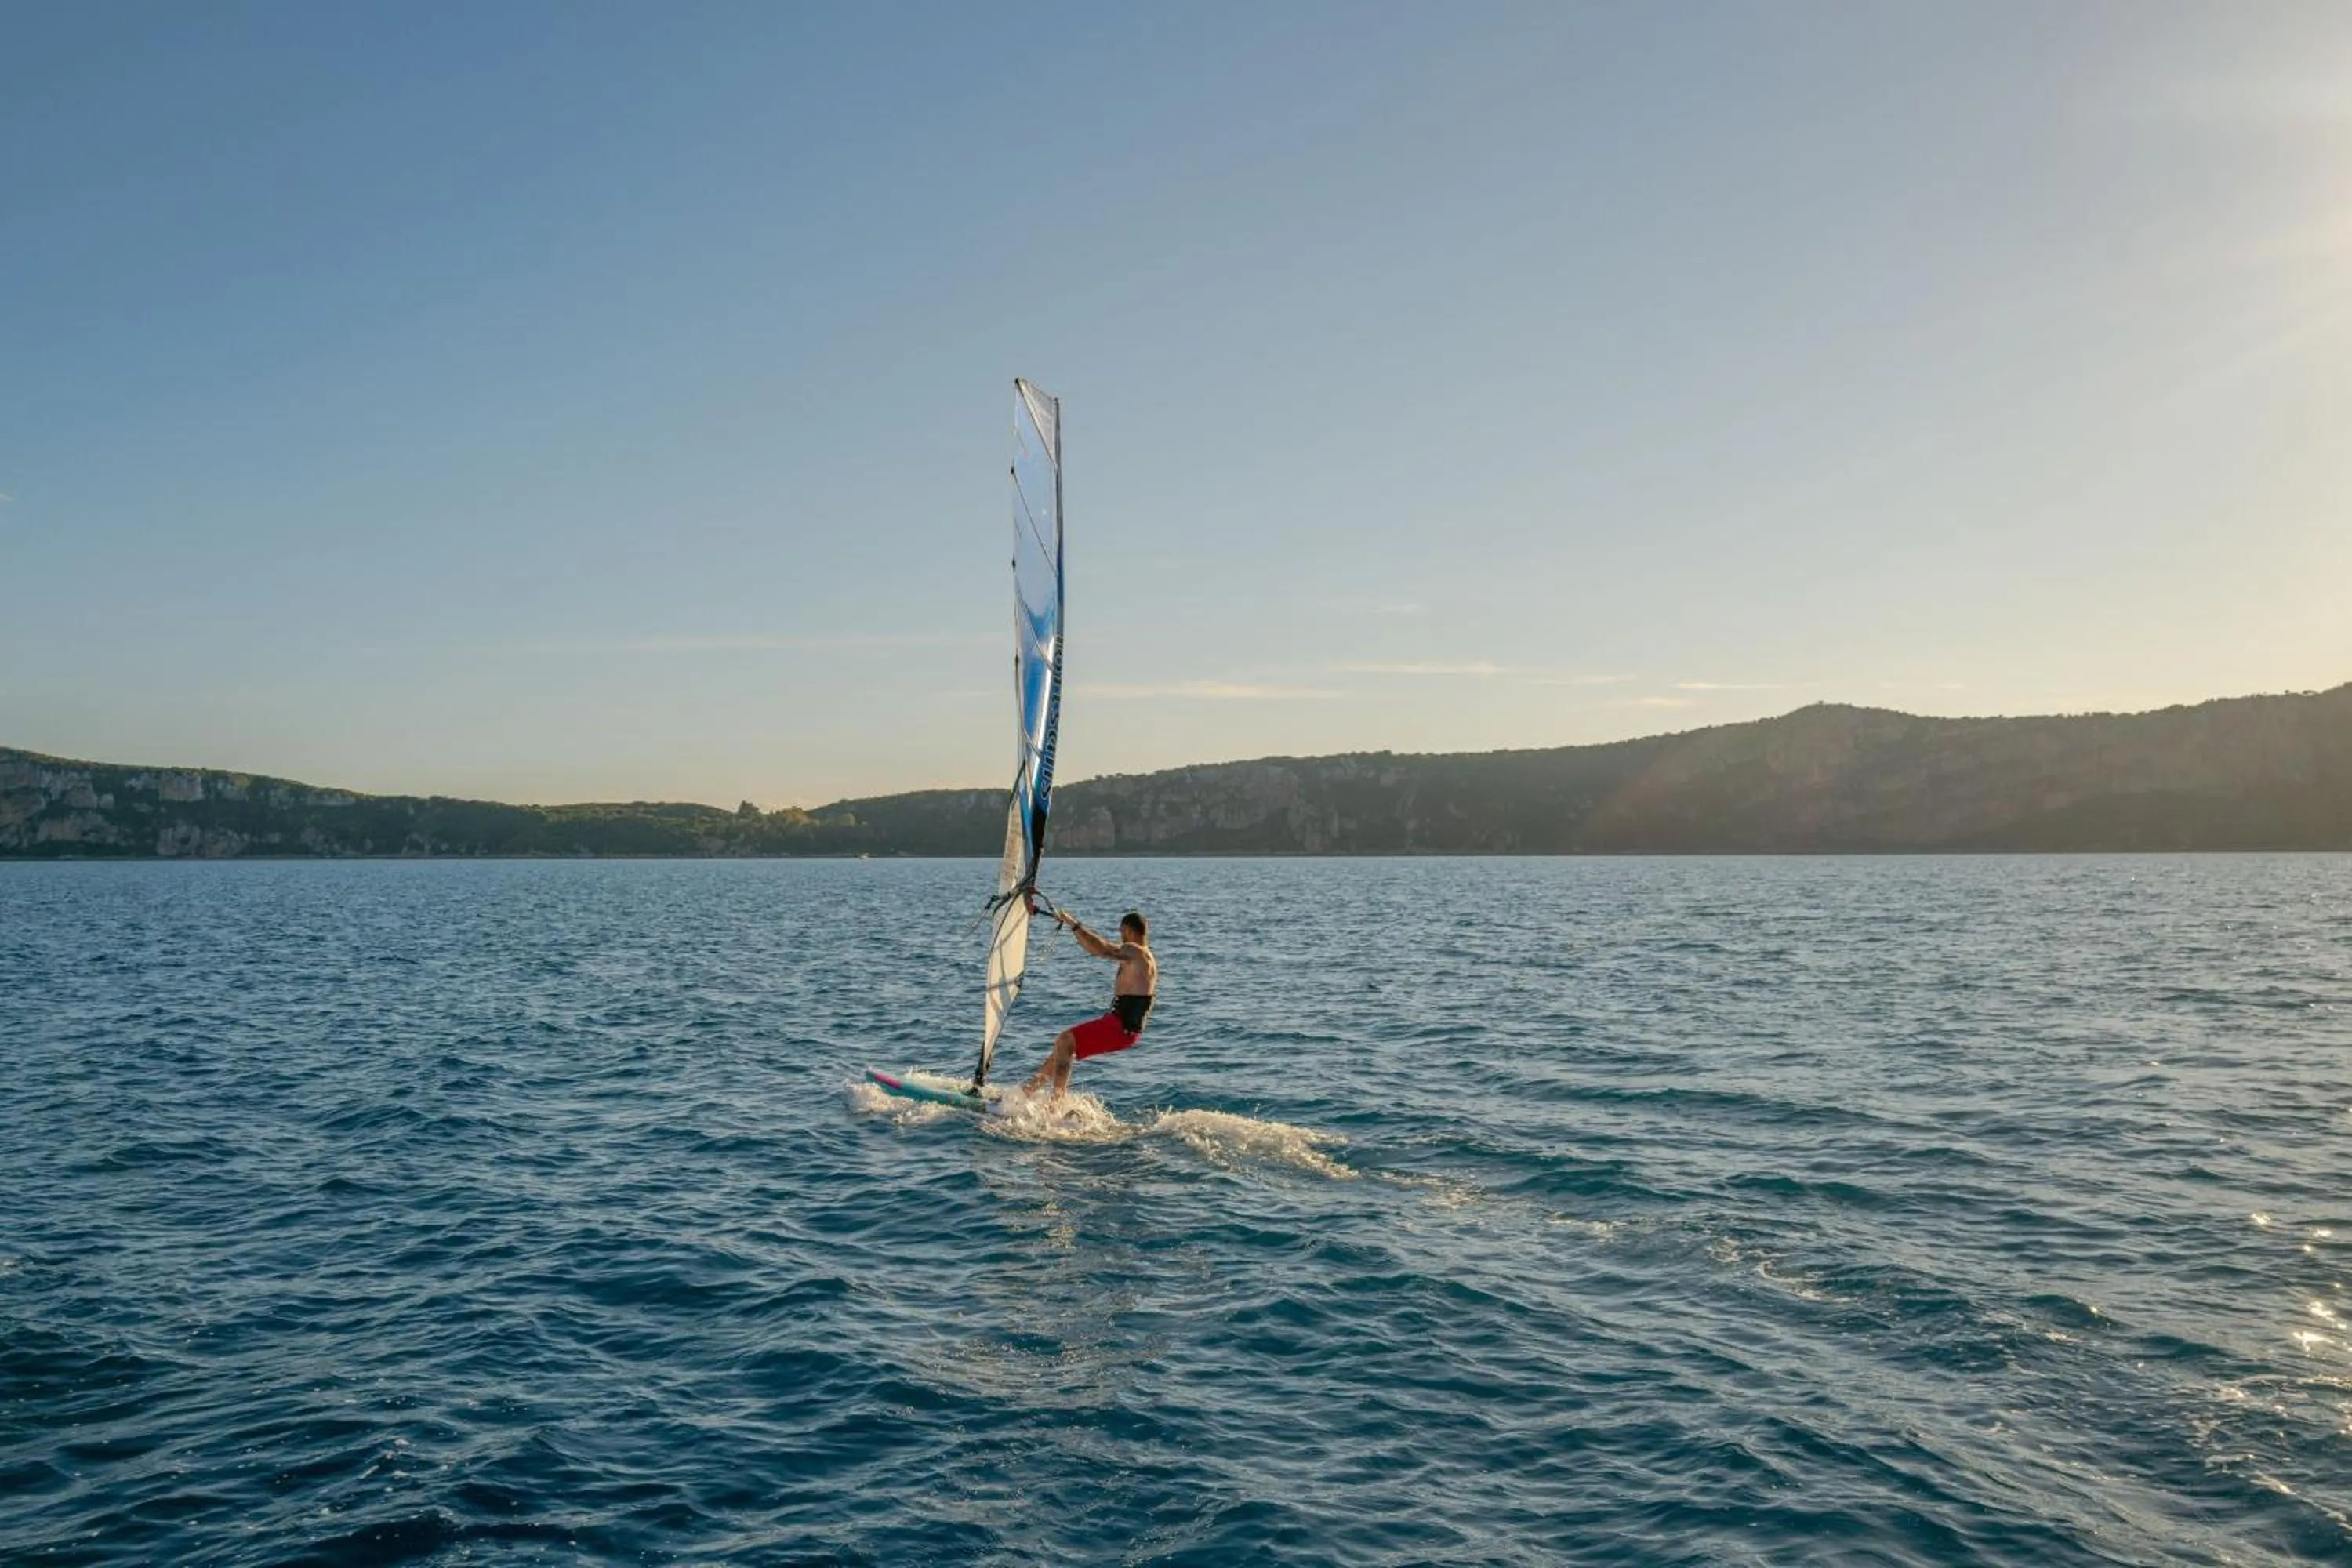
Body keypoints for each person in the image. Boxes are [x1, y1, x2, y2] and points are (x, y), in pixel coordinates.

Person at [1021, 908, 1157, 1101]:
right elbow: (1098, 950)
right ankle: (1027, 1092)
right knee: (1061, 1050)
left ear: (1128, 930)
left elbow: (1102, 949)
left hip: (1120, 1028)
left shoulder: (1135, 951)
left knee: (1065, 1041)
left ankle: (1055, 1105)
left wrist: (1072, 923)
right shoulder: (1144, 957)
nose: (1121, 937)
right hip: (1124, 1027)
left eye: (1121, 932)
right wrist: (1073, 928)